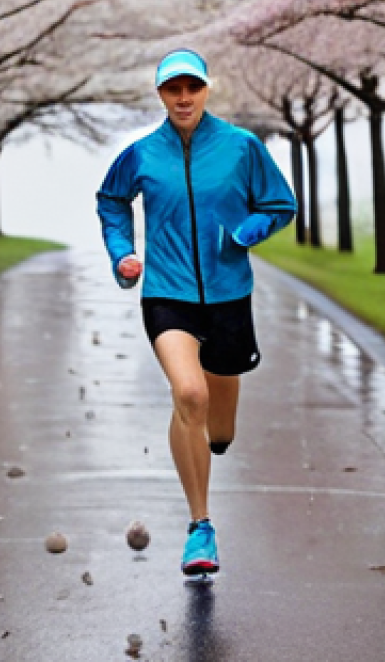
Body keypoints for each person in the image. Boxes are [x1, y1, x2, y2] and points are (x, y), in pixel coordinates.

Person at [96, 49, 297, 577]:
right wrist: (123, 255)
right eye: (172, 89)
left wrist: (245, 233)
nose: (183, 98)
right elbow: (111, 201)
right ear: (160, 94)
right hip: (167, 293)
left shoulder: (241, 148)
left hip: (229, 295)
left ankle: (215, 438)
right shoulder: (141, 154)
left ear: (206, 89)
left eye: (192, 88)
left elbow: (280, 204)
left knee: (220, 429)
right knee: (189, 394)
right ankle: (199, 527)